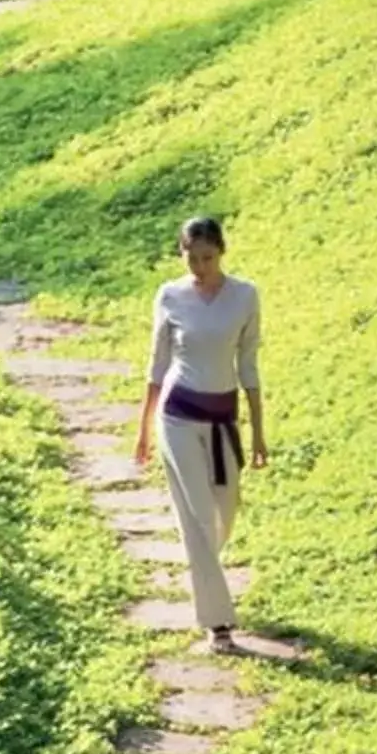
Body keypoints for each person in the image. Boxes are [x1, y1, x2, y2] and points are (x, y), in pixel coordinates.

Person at [132, 214, 267, 653]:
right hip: (177, 415)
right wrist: (143, 431)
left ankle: (207, 579)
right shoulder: (170, 295)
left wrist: (259, 432)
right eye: (192, 258)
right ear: (181, 253)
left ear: (221, 252)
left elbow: (248, 365)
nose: (200, 267)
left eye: (208, 258)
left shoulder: (244, 296)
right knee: (196, 517)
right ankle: (219, 624)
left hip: (223, 419)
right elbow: (157, 364)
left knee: (222, 516)